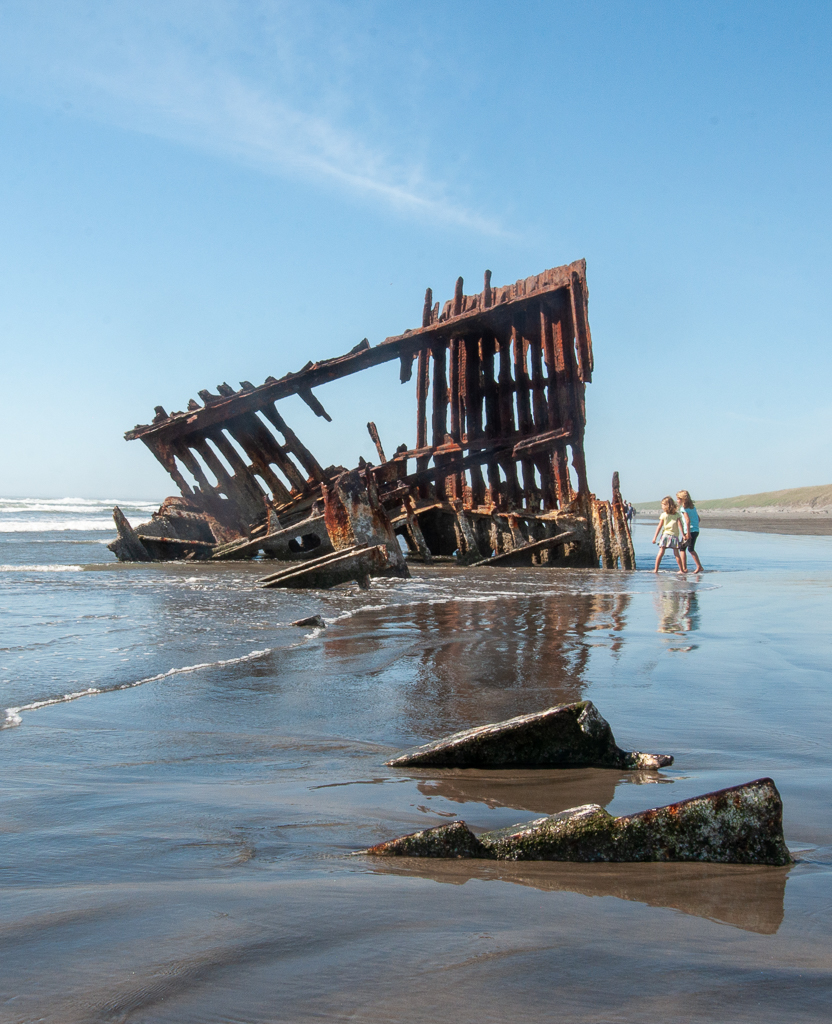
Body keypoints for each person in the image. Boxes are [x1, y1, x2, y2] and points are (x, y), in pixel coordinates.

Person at [651, 496, 686, 573]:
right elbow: (680, 525)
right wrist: (683, 535)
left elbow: (659, 527)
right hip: (674, 536)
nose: (662, 507)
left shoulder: (664, 515)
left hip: (665, 535)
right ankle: (681, 570)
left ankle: (656, 569)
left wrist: (655, 537)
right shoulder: (677, 515)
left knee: (661, 552)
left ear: (667, 505)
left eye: (663, 505)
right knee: (676, 553)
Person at [676, 490, 704, 573]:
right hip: (695, 530)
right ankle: (687, 567)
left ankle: (686, 568)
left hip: (689, 531)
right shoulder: (692, 507)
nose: (677, 501)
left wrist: (687, 533)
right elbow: (698, 519)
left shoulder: (683, 508)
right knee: (685, 548)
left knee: (686, 548)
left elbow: (687, 521)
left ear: (682, 499)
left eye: (678, 499)